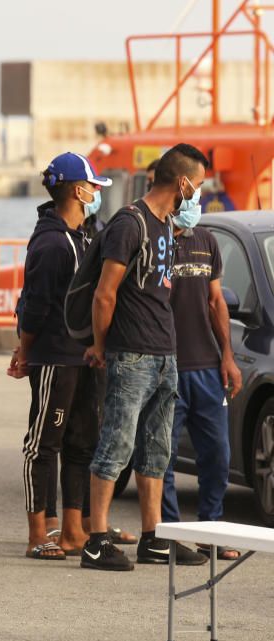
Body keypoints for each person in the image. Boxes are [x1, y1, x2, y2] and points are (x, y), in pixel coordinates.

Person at [81, 143, 212, 571]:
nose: (200, 193)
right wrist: (101, 346)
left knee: (157, 450)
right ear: (182, 182)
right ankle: (96, 539)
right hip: (132, 353)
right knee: (116, 445)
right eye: (199, 184)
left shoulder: (167, 225)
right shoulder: (130, 223)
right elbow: (105, 293)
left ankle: (153, 537)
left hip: (163, 353)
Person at [8, 152, 109, 559]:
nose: (96, 193)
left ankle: (73, 530)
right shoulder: (52, 243)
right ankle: (38, 534)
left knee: (83, 442)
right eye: (91, 187)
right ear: (75, 190)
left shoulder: (84, 235)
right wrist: (25, 351)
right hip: (56, 357)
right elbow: (34, 307)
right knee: (44, 443)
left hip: (84, 358)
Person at [161, 178, 243, 560]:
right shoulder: (155, 240)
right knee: (163, 458)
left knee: (217, 456)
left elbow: (216, 302)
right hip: (165, 366)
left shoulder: (206, 241)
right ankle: (171, 534)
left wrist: (227, 355)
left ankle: (211, 532)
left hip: (207, 368)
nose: (193, 203)